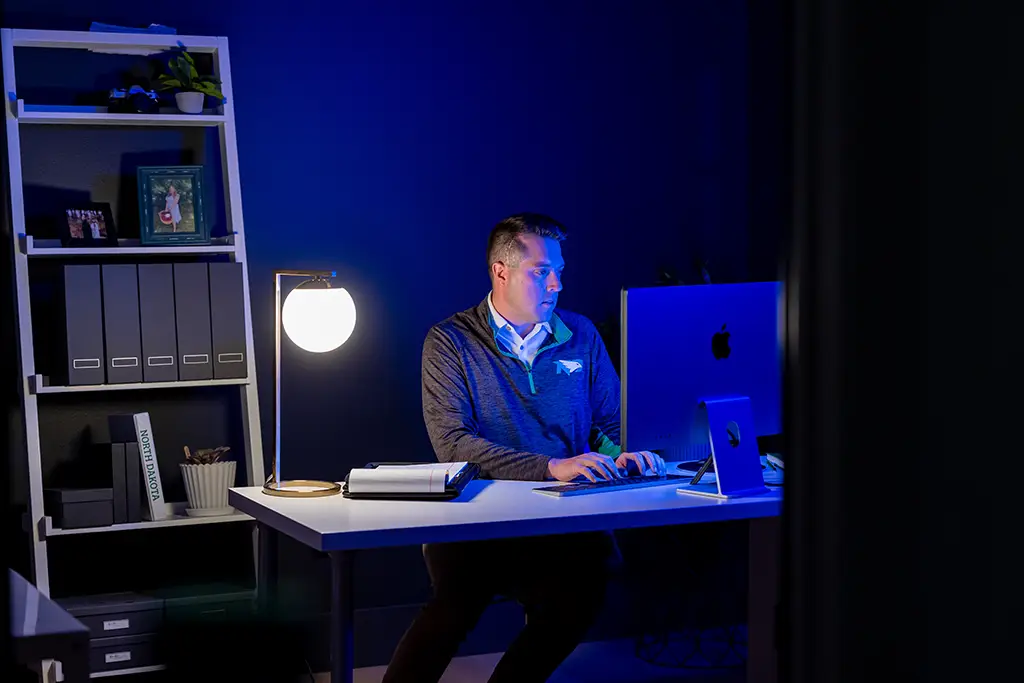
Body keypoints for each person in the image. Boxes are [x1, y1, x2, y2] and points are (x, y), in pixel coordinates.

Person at [382, 213, 666, 683]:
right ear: (501, 271)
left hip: (562, 522)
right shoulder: (450, 341)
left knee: (585, 590)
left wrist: (624, 453)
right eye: (540, 272)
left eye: (558, 270)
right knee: (453, 607)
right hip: (476, 524)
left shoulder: (582, 334)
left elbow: (609, 425)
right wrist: (551, 466)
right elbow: (454, 444)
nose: (556, 284)